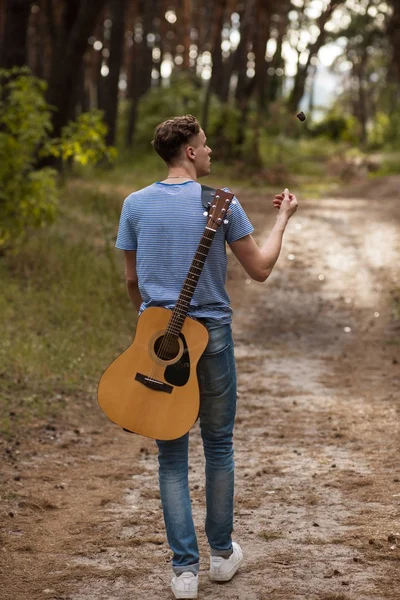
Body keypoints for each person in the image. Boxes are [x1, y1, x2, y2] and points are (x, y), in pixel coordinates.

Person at [115, 114, 298, 599]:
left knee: (171, 455)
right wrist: (282, 220)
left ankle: (183, 572)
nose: (211, 150)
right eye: (206, 143)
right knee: (218, 445)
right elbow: (259, 268)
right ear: (190, 152)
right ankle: (221, 556)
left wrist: (153, 326)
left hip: (158, 339)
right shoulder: (223, 204)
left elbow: (132, 283)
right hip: (211, 334)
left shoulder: (134, 205)